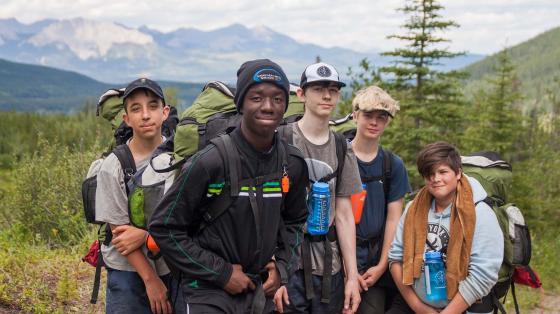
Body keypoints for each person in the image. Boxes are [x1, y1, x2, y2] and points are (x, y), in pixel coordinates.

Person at [148, 59, 309, 313]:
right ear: (241, 104)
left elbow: (296, 221)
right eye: (257, 97)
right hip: (207, 292)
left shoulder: (292, 163)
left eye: (278, 99)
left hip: (258, 291)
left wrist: (281, 267)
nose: (268, 106)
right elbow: (164, 227)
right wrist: (221, 273)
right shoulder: (210, 162)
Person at [274, 62, 363, 313]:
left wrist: (352, 276)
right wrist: (273, 273)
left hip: (328, 267)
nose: (327, 95)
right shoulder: (281, 139)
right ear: (301, 94)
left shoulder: (341, 146)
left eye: (333, 90)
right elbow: (268, 211)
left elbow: (344, 215)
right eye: (318, 89)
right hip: (287, 263)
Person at [95, 78, 181, 314]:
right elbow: (122, 236)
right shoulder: (115, 165)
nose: (145, 115)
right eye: (136, 109)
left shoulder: (179, 158)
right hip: (128, 269)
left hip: (171, 263)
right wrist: (151, 280)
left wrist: (145, 235)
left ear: (165, 113)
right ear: (126, 119)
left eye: (153, 106)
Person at [388, 142, 503, 313]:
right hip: (414, 304)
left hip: (465, 307)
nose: (436, 179)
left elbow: (483, 274)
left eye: (443, 172)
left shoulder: (479, 212)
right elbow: (396, 258)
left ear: (458, 173)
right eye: (429, 174)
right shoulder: (413, 208)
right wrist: (418, 307)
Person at [349, 86, 412, 313]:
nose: (374, 122)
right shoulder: (339, 157)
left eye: (381, 117)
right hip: (336, 262)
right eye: (368, 115)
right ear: (355, 115)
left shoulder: (392, 165)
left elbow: (394, 220)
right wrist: (348, 269)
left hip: (374, 264)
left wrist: (381, 266)